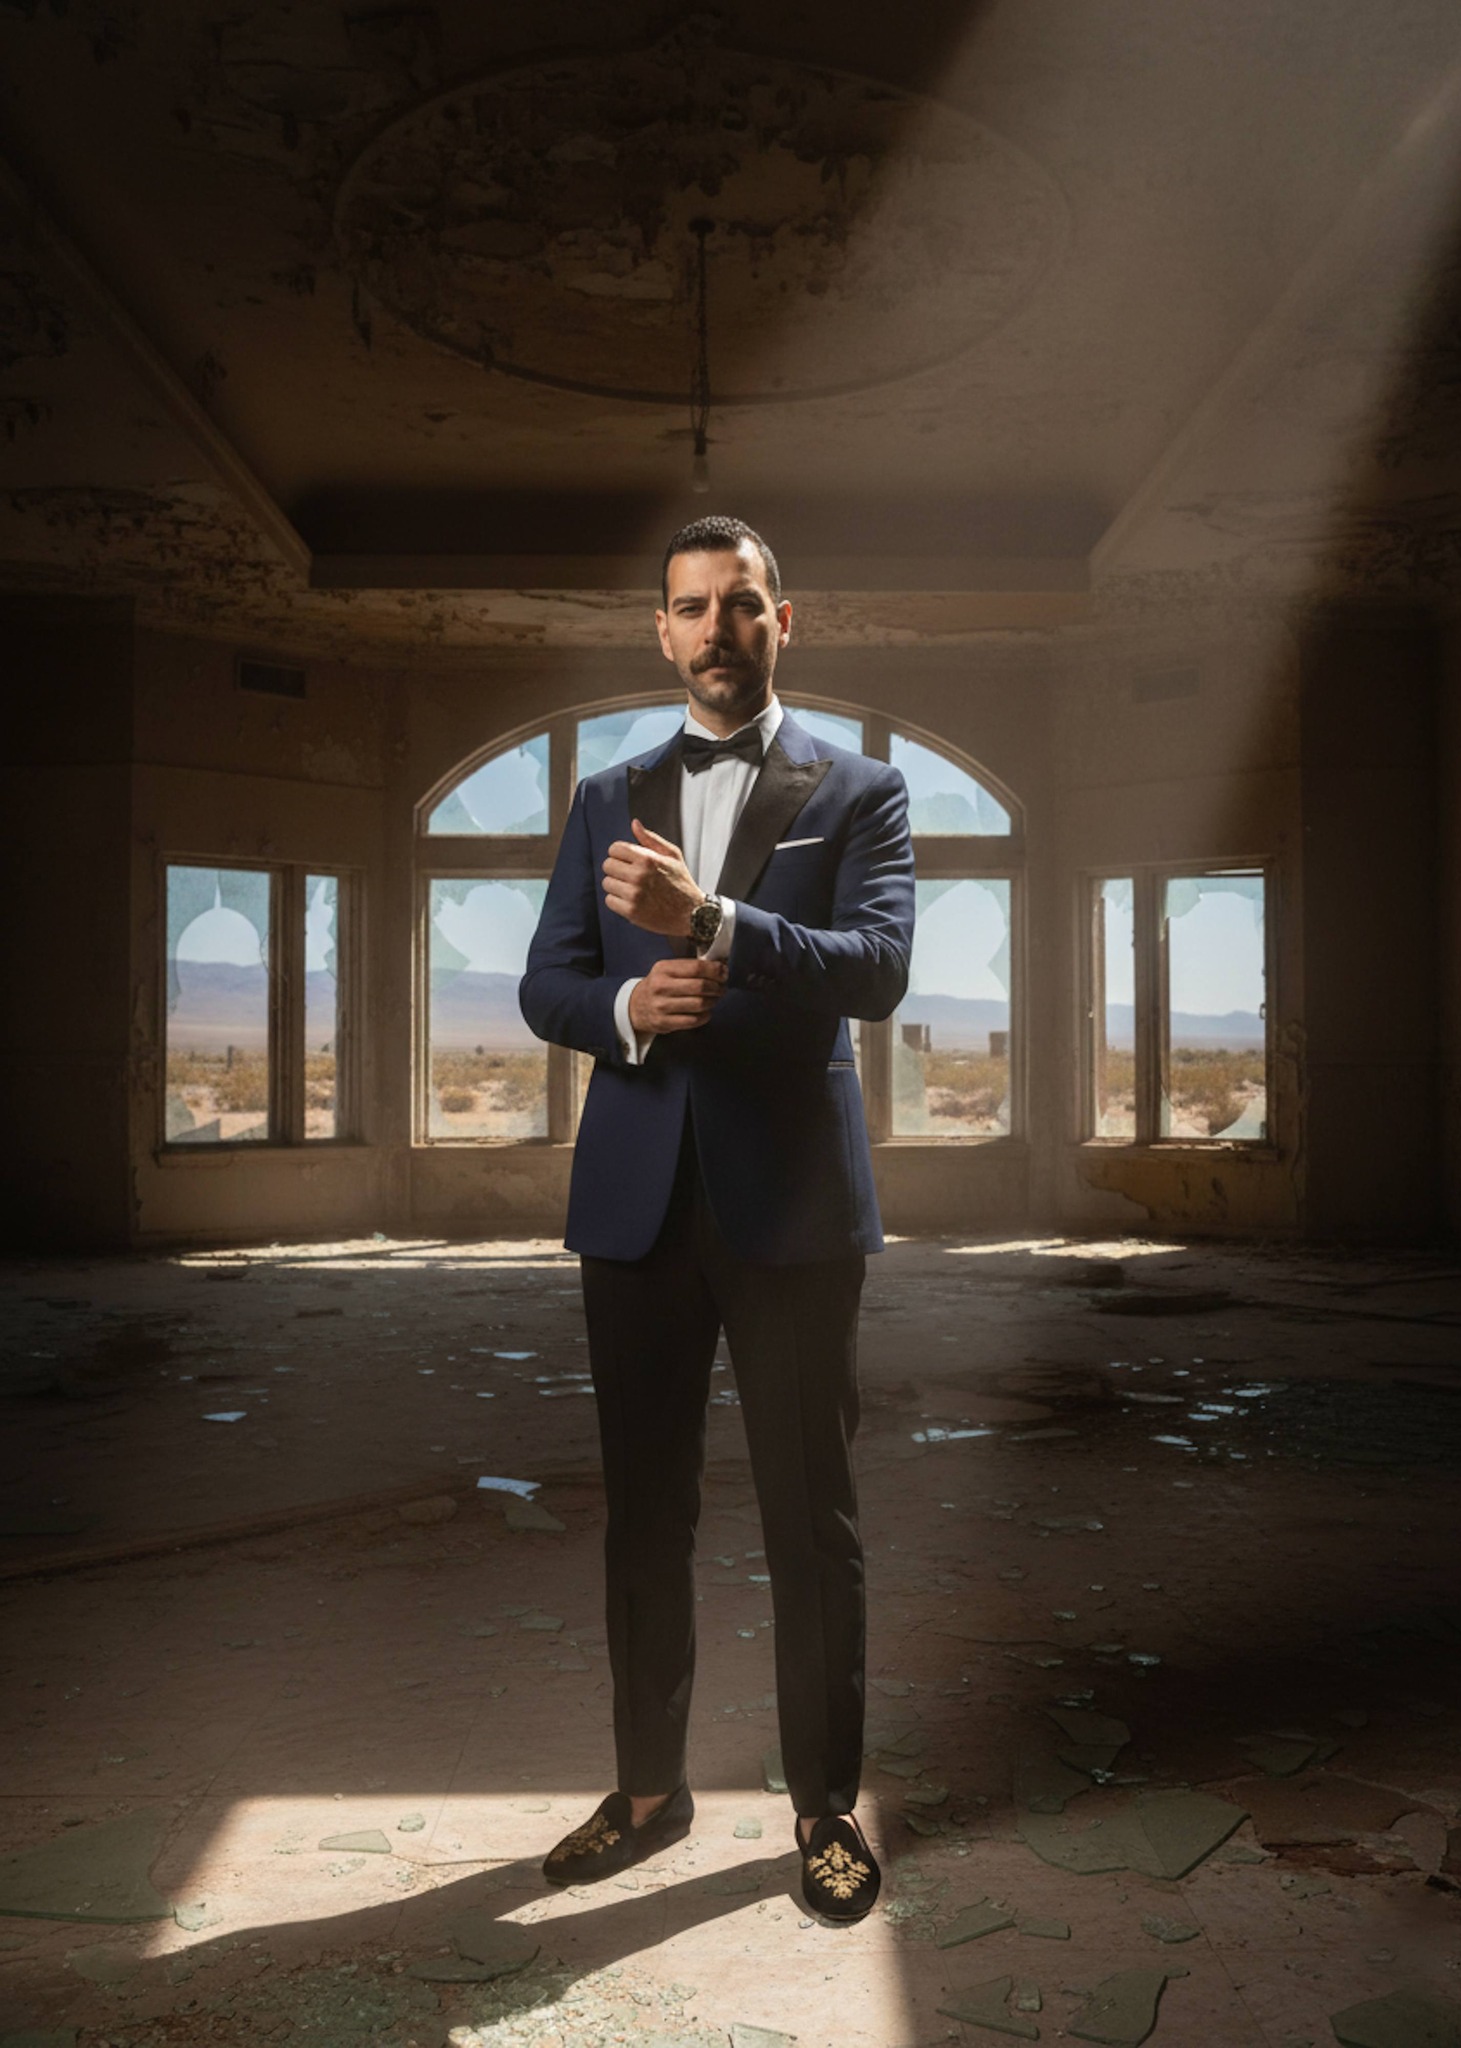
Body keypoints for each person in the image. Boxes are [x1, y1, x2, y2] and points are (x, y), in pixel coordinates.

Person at [518, 514, 914, 1923]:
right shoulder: (604, 790)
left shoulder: (860, 788)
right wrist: (627, 1007)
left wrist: (717, 925)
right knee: (645, 1517)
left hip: (793, 1207)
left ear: (781, 621)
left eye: (740, 605)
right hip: (634, 1205)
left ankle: (823, 1810)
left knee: (813, 1520)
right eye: (690, 608)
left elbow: (875, 971)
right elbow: (547, 984)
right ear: (663, 630)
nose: (715, 630)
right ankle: (647, 1794)